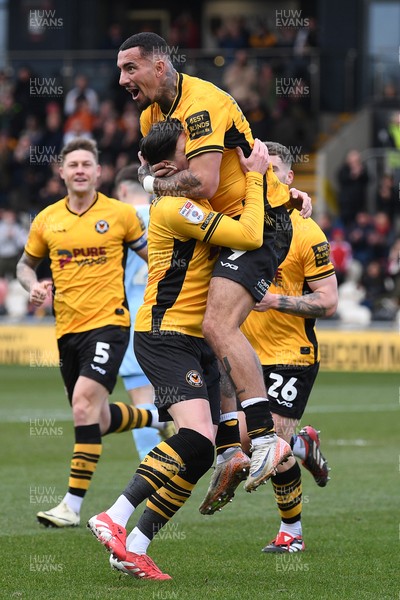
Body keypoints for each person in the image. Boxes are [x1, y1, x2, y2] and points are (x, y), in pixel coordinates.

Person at [116, 32, 312, 492]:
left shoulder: (203, 103)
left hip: (261, 221)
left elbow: (199, 183)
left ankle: (265, 438)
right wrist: (154, 178)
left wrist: (152, 185)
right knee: (212, 331)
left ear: (160, 66)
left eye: (130, 68)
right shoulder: (152, 112)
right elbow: (150, 165)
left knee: (216, 326)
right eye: (121, 69)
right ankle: (229, 443)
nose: (122, 78)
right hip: (229, 225)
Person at [87, 120, 273, 580]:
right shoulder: (174, 208)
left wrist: (288, 198)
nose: (207, 157)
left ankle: (135, 544)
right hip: (165, 334)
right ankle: (111, 515)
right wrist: (254, 177)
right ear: (173, 164)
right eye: (196, 149)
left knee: (201, 451)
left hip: (194, 340)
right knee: (193, 438)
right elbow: (250, 236)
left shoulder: (194, 201)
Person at [16, 138, 168, 528]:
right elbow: (24, 265)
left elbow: (152, 255)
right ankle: (155, 416)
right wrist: (31, 285)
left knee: (83, 405)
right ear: (62, 172)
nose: (80, 170)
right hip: (67, 331)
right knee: (93, 419)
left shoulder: (120, 215)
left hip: (110, 324)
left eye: (87, 163)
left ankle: (71, 505)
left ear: (98, 172)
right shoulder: (46, 219)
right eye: (74, 164)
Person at [199, 142, 338, 554]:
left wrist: (274, 300)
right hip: (242, 354)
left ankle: (291, 534)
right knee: (245, 441)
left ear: (290, 180)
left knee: (254, 443)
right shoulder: (242, 221)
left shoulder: (307, 230)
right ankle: (302, 444)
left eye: (277, 171)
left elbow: (329, 301)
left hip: (289, 356)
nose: (269, 178)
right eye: (263, 172)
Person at [114, 164, 172, 459]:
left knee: (143, 402)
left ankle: (156, 478)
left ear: (122, 190)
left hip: (134, 317)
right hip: (173, 314)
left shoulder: (118, 219)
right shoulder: (167, 213)